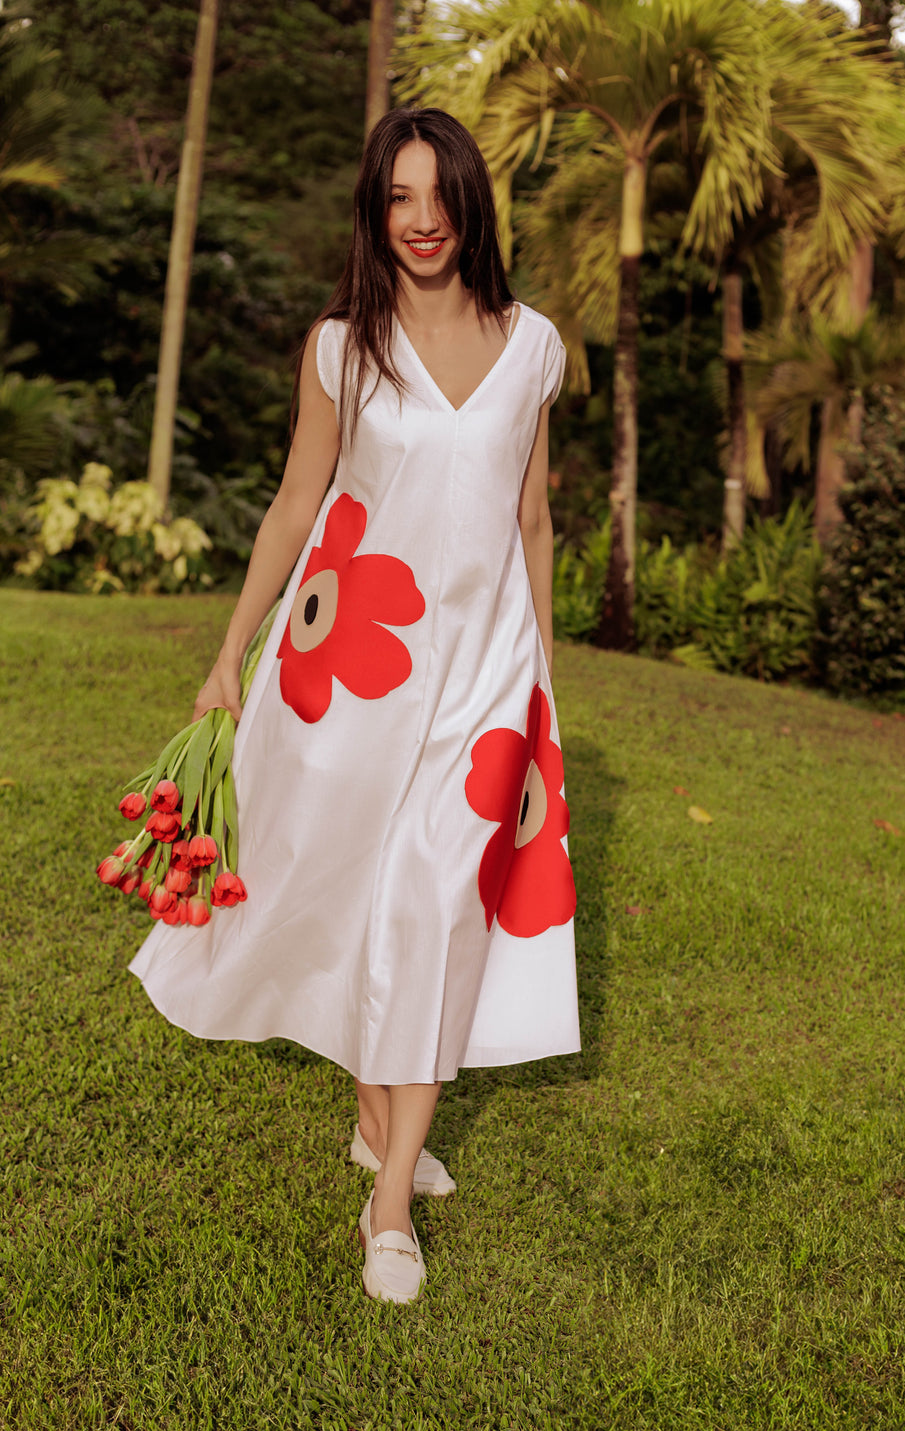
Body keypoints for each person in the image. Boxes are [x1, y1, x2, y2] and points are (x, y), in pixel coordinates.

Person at [129, 107, 580, 1305]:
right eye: (397, 198)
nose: (422, 219)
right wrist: (230, 654)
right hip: (349, 670)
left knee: (435, 902)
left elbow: (531, 515)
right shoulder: (343, 346)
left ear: (470, 203)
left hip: (480, 680)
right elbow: (294, 501)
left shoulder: (536, 345)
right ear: (375, 212)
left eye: (438, 195)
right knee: (359, 893)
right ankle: (381, 1123)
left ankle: (388, 1209)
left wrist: (541, 671)